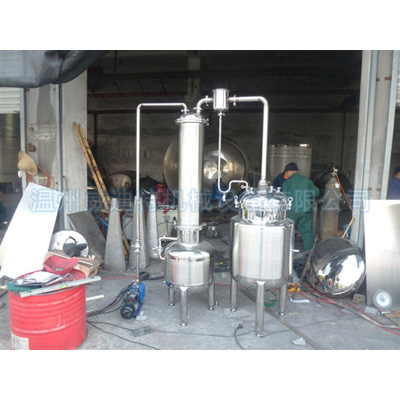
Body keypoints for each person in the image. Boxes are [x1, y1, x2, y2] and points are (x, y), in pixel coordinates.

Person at [282, 162, 319, 251]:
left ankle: (286, 252)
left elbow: (283, 196)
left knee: (288, 231)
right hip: (305, 210)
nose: (285, 175)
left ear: (290, 171)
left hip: (292, 211)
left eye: (286, 173)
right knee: (306, 232)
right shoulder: (306, 180)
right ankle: (309, 253)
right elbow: (316, 192)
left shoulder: (288, 181)